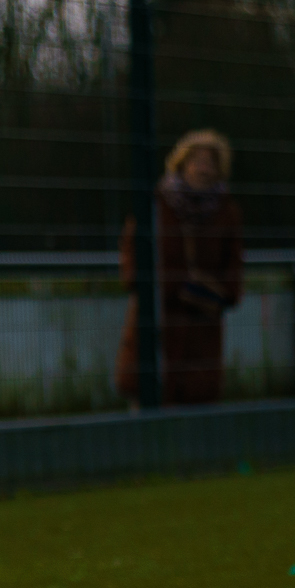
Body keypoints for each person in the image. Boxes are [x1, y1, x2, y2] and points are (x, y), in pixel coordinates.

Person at [116, 129, 244, 406]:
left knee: (198, 398)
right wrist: (169, 287)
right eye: (197, 161)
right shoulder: (156, 204)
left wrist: (213, 293)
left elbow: (233, 267)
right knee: (150, 392)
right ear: (182, 164)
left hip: (202, 325)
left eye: (210, 162)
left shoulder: (226, 211)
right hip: (158, 319)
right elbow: (131, 255)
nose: (203, 169)